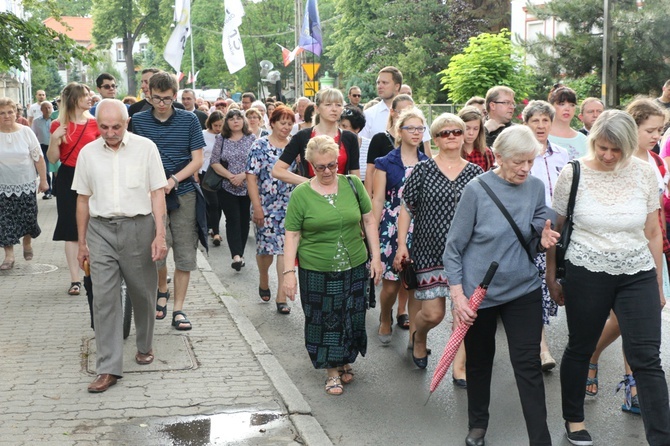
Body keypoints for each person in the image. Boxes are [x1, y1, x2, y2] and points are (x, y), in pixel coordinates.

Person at [547, 109, 670, 446]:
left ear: (629, 146)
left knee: (647, 357)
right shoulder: (573, 174)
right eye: (602, 147)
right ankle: (574, 419)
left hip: (637, 271)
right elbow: (556, 230)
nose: (608, 155)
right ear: (594, 140)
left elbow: (652, 232)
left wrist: (658, 284)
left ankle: (661, 436)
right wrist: (552, 276)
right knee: (581, 345)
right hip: (587, 269)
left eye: (616, 150)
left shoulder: (645, 173)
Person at [444, 125, 558, 446]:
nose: (525, 169)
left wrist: (543, 237)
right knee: (480, 363)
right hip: (479, 295)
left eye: (530, 162)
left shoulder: (535, 187)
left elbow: (535, 230)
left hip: (523, 289)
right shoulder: (477, 190)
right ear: (498, 156)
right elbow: (453, 247)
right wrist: (458, 297)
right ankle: (478, 425)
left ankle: (541, 438)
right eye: (518, 162)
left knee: (528, 366)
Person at [73, 99, 168, 393]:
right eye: (104, 127)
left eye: (116, 126)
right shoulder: (88, 153)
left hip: (139, 227)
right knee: (103, 298)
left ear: (127, 122)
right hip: (100, 230)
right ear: (97, 124)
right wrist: (82, 242)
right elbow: (82, 199)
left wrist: (160, 234)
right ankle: (108, 367)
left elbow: (157, 193)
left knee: (143, 293)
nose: (110, 132)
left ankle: (144, 344)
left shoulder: (145, 148)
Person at [584, 98, 669, 414]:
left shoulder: (657, 162)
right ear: (632, 128)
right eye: (651, 129)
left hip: (651, 248)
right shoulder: (613, 161)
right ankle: (596, 358)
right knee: (625, 321)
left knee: (639, 325)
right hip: (615, 254)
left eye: (660, 130)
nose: (656, 135)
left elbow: (657, 218)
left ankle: (630, 384)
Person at [283, 135, 382, 395]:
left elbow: (369, 220)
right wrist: (288, 273)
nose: (327, 171)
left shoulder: (352, 185)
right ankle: (331, 371)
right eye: (320, 167)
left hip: (355, 264)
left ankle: (344, 359)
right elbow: (292, 234)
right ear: (310, 166)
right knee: (324, 320)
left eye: (332, 165)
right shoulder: (301, 194)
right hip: (317, 268)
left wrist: (376, 257)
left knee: (352, 313)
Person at [394, 113, 483, 374]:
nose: (453, 136)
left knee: (463, 313)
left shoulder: (476, 173)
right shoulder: (423, 169)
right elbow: (406, 208)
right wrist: (402, 245)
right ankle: (419, 336)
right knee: (433, 314)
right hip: (429, 251)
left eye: (457, 131)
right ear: (435, 138)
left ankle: (459, 367)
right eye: (446, 133)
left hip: (466, 253)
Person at [131, 72, 205, 331]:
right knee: (157, 251)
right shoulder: (137, 121)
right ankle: (162, 289)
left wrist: (172, 180)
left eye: (166, 99)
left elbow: (198, 159)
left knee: (185, 251)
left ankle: (179, 309)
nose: (161, 104)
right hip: (150, 195)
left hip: (183, 191)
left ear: (175, 96)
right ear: (148, 95)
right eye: (156, 98)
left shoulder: (189, 120)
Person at [373, 108, 429, 345]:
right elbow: (377, 199)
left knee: (415, 284)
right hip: (390, 226)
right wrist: (372, 232)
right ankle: (385, 316)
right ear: (400, 131)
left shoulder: (428, 163)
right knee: (391, 285)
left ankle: (414, 337)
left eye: (420, 128)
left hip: (420, 226)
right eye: (411, 128)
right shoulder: (386, 162)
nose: (416, 133)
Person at [523, 100, 569, 372]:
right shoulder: (522, 155)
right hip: (535, 231)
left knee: (561, 286)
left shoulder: (563, 154)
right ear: (526, 123)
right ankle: (542, 348)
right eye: (535, 121)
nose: (541, 126)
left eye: (545, 121)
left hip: (561, 230)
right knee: (538, 287)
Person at [47, 82, 101, 295]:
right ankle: (75, 279)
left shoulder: (96, 123)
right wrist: (54, 139)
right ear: (73, 99)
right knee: (71, 229)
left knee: (94, 225)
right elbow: (53, 159)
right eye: (85, 95)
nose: (90, 98)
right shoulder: (58, 125)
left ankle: (96, 273)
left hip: (92, 176)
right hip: (68, 176)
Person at [246, 105, 295, 312]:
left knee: (286, 249)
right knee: (266, 251)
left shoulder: (294, 146)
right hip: (265, 204)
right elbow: (251, 176)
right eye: (282, 123)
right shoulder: (259, 145)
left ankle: (281, 297)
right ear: (272, 123)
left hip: (289, 205)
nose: (286, 127)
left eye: (290, 123)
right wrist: (257, 206)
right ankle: (264, 277)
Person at [272, 88, 360, 185]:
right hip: (312, 196)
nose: (334, 109)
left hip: (341, 195)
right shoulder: (302, 136)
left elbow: (355, 175)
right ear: (316, 108)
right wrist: (310, 183)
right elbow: (277, 170)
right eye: (328, 104)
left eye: (338, 105)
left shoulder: (350, 138)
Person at [0, 98, 49, 270]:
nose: (7, 116)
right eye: (2, 113)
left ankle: (27, 243)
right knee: (4, 221)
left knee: (28, 218)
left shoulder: (26, 132)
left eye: (10, 112)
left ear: (16, 113)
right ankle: (9, 256)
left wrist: (43, 180)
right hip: (2, 186)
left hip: (26, 184)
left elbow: (39, 158)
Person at [209, 109, 256, 271]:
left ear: (243, 121)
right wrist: (231, 176)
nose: (235, 121)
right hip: (227, 187)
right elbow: (214, 162)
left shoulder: (251, 139)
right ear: (226, 122)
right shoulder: (221, 139)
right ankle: (235, 255)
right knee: (233, 219)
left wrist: (242, 176)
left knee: (244, 220)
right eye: (231, 119)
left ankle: (240, 254)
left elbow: (256, 162)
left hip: (247, 186)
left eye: (238, 118)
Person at [360, 66, 431, 155]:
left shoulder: (415, 114)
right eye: (378, 83)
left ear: (397, 86)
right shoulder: (368, 114)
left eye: (384, 83)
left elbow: (426, 151)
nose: (380, 86)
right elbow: (362, 151)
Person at [365, 94, 415, 197]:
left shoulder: (416, 141)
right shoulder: (379, 139)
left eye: (410, 113)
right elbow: (370, 172)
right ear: (392, 112)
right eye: (402, 112)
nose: (406, 116)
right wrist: (368, 202)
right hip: (385, 198)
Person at [200, 111, 224, 245]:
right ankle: (215, 232)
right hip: (205, 172)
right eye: (216, 125)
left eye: (221, 125)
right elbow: (199, 154)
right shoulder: (203, 135)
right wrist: (196, 174)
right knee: (212, 203)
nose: (218, 129)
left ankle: (213, 228)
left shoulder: (224, 136)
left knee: (218, 204)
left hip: (220, 173)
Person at [547, 85, 588, 159]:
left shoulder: (583, 140)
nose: (567, 108)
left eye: (572, 105)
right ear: (551, 106)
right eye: (562, 104)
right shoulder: (542, 136)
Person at [459, 106, 494, 172]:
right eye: (467, 128)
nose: (471, 133)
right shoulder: (453, 151)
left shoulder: (486, 153)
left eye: (475, 129)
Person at [31, 101, 55, 199]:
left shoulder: (55, 120)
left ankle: (55, 190)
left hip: (54, 146)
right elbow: (34, 135)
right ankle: (47, 191)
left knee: (56, 169)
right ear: (41, 110)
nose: (47, 110)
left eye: (49, 107)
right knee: (45, 169)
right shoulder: (37, 121)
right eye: (45, 108)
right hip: (43, 146)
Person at [339, 106, 368, 181]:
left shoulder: (370, 145)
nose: (340, 129)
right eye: (339, 125)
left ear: (357, 129)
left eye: (344, 126)